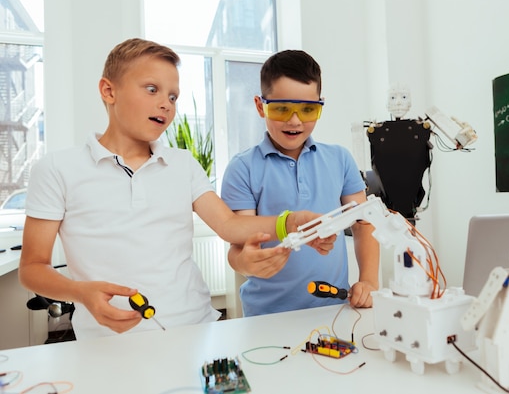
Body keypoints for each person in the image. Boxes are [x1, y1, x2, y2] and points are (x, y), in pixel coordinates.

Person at [18, 38, 333, 340]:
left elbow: (230, 225)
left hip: (197, 329)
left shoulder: (182, 164)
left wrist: (289, 222)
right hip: (107, 340)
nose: (165, 105)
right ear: (108, 90)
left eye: (173, 97)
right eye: (152, 89)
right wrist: (79, 292)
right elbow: (32, 268)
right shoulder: (57, 169)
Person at [221, 50, 380, 317]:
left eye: (307, 110)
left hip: (334, 309)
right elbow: (238, 247)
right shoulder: (242, 168)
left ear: (320, 105)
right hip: (266, 317)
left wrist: (369, 281)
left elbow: (363, 224)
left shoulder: (340, 159)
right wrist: (247, 264)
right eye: (282, 109)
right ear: (260, 106)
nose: (295, 121)